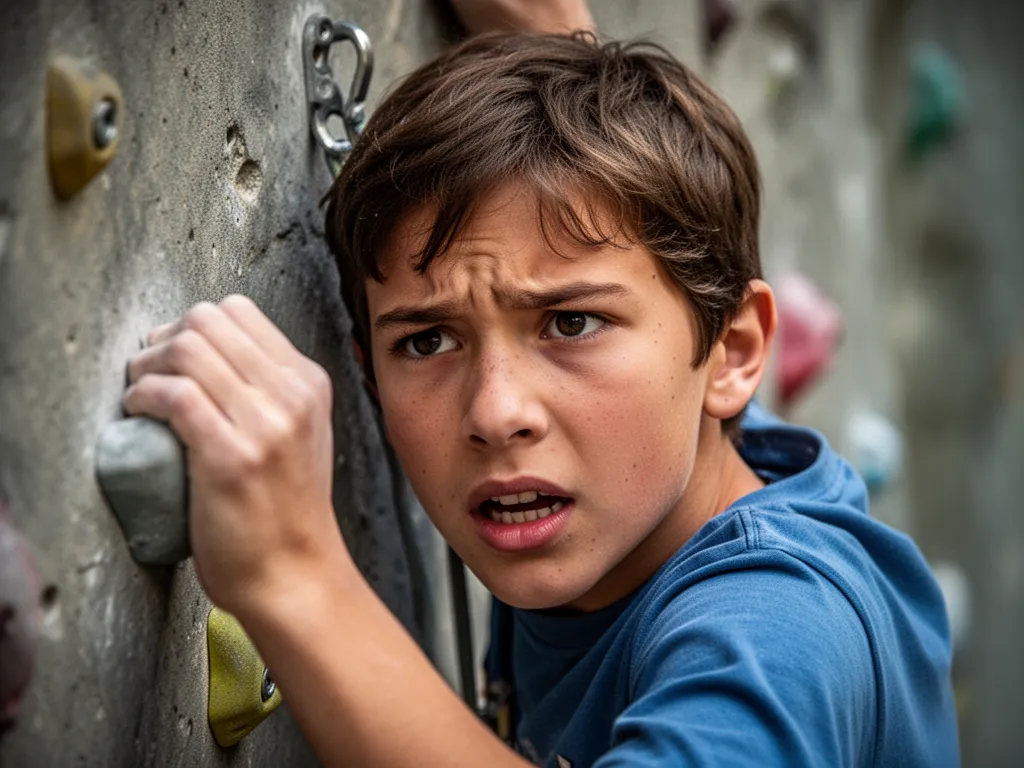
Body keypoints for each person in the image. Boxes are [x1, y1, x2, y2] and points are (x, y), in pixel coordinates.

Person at [122, 4, 959, 767]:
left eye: (570, 325)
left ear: (735, 354)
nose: (496, 414)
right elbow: (667, 322)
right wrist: (563, 56)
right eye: (427, 339)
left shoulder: (781, 630)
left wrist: (295, 576)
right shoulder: (659, 469)